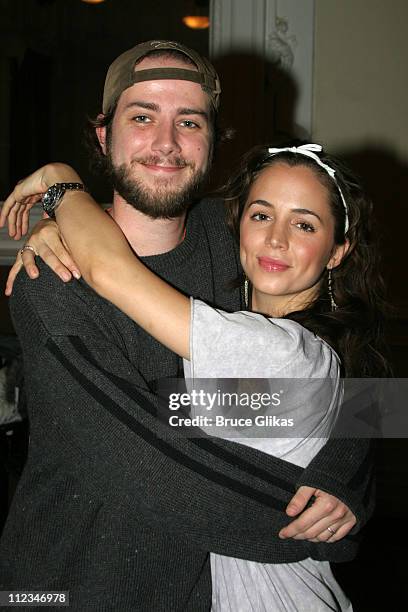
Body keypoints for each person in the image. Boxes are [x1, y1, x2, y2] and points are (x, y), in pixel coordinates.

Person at [0, 41, 372, 611]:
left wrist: (345, 473)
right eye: (142, 117)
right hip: (61, 587)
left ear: (212, 141)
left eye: (189, 122)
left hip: (205, 593)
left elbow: (346, 387)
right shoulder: (51, 277)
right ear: (104, 136)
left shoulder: (240, 245)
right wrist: (317, 525)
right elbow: (145, 457)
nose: (167, 143)